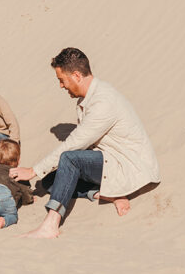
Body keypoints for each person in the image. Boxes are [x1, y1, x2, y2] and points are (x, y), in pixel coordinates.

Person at [10, 47, 160, 238]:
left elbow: (74, 144)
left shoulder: (103, 102)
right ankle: (106, 194)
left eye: (62, 80)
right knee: (49, 181)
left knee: (69, 159)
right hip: (108, 160)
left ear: (76, 75)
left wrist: (33, 170)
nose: (61, 86)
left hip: (128, 166)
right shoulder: (89, 97)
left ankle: (50, 225)